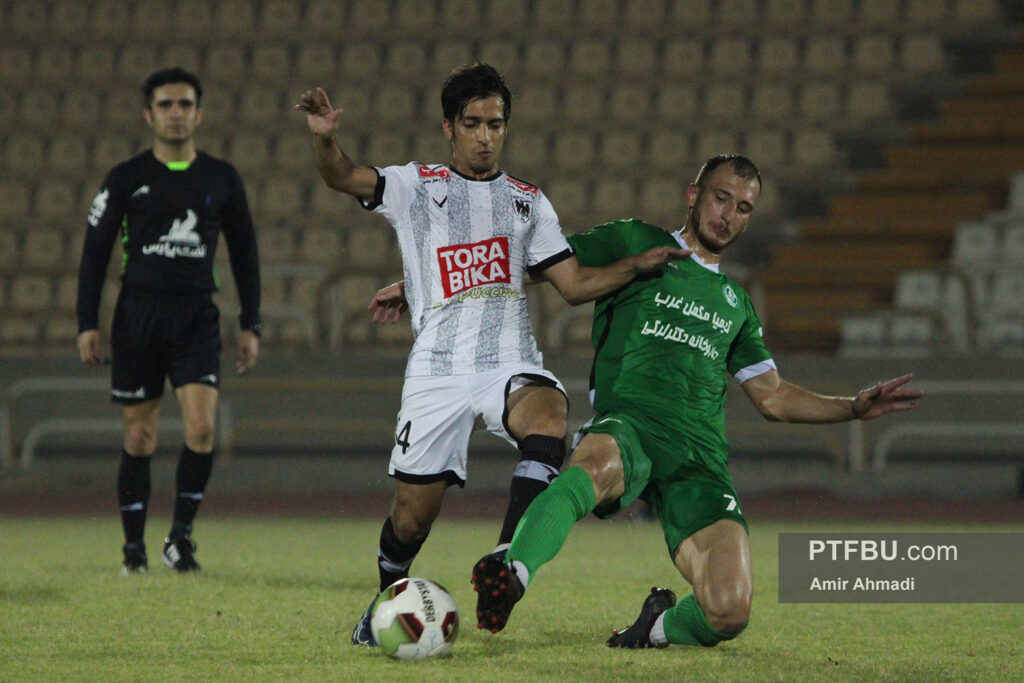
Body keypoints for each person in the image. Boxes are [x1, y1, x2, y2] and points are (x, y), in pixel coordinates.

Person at [295, 63, 688, 646]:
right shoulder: (415, 186)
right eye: (473, 123)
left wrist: (637, 265)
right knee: (411, 518)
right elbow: (344, 177)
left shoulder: (528, 203)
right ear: (449, 127)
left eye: (496, 124)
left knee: (551, 413)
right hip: (435, 369)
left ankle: (506, 558)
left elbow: (574, 285)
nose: (485, 135)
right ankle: (385, 596)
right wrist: (326, 138)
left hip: (507, 358)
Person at [463, 154, 923, 647]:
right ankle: (511, 575)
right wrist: (433, 288)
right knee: (593, 464)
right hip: (630, 425)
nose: (728, 215)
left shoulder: (737, 304)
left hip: (698, 458)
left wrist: (851, 407)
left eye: (743, 208)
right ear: (694, 195)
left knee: (730, 611)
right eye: (721, 198)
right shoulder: (636, 242)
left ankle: (653, 630)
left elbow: (772, 396)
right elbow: (540, 266)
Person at [76, 67, 262, 575]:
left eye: (184, 104)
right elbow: (95, 253)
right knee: (140, 437)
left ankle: (179, 538)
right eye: (165, 105)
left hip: (197, 316)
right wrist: (85, 323)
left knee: (202, 428)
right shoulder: (125, 178)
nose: (175, 113)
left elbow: (244, 251)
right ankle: (133, 548)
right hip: (138, 316)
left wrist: (252, 323)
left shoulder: (221, 178)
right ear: (148, 114)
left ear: (199, 113)